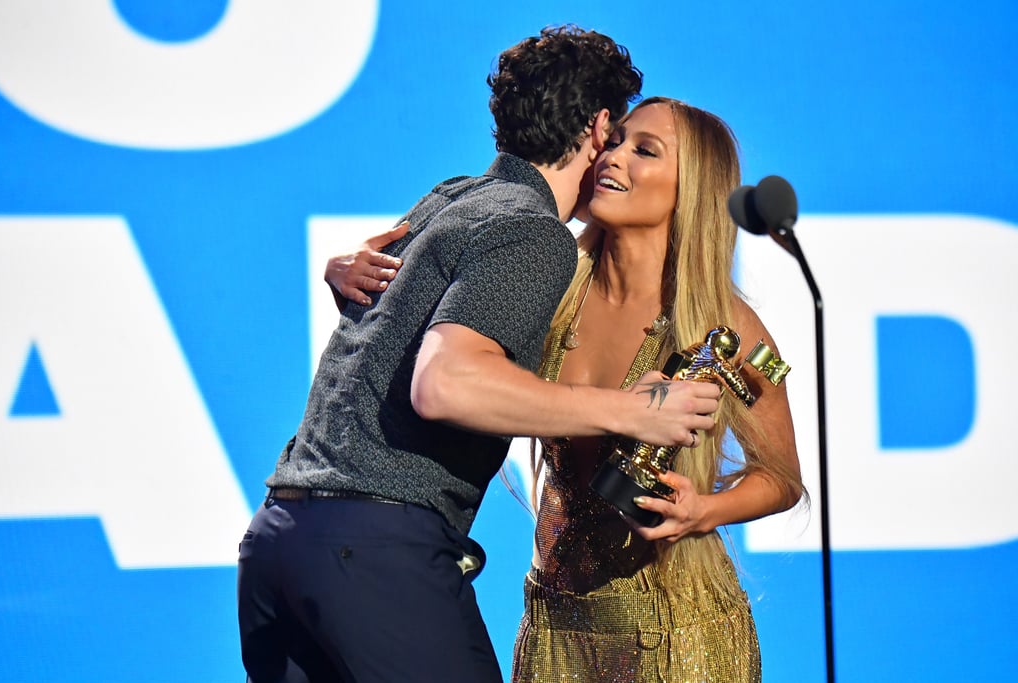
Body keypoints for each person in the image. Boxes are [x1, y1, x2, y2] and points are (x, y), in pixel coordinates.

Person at [237, 27, 725, 683]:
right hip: (375, 552)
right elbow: (445, 385)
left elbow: (398, 326)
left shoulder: (451, 196)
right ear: (599, 125)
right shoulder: (533, 231)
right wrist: (631, 413)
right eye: (623, 138)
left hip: (278, 538)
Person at [331, 97, 805, 681]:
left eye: (645, 150)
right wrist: (352, 273)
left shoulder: (727, 327)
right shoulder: (547, 285)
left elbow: (782, 479)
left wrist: (704, 511)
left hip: (680, 634)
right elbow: (429, 317)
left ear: (693, 190)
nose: (614, 157)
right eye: (616, 139)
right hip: (553, 624)